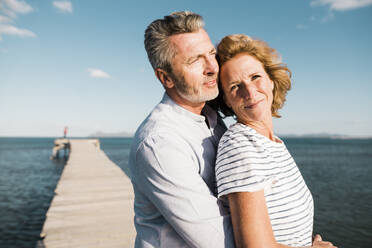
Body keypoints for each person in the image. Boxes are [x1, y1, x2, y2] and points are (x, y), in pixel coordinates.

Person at [212, 34, 337, 248]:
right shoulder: (239, 145)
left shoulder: (273, 143)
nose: (250, 92)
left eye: (255, 77)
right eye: (235, 86)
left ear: (271, 80)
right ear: (227, 100)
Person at [128, 11, 235, 248]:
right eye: (195, 60)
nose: (212, 68)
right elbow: (219, 240)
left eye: (211, 54)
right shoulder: (160, 142)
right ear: (166, 78)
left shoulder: (210, 117)